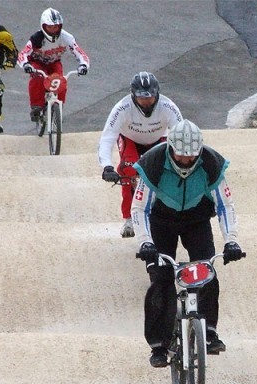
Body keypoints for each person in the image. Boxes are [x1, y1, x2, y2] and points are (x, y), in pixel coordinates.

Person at [131, 120, 244, 368]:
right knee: (160, 280)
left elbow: (226, 206)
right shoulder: (153, 162)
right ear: (170, 148)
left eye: (191, 157)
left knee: (207, 274)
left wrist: (232, 241)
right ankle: (158, 346)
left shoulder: (212, 164)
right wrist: (145, 241)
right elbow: (139, 208)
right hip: (160, 221)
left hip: (196, 220)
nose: (185, 161)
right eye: (180, 156)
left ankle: (209, 332)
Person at [98, 71, 183, 237]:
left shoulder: (168, 107)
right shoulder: (122, 108)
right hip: (130, 139)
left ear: (157, 94)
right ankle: (129, 218)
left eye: (149, 98)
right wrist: (107, 166)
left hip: (159, 139)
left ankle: (168, 211)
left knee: (166, 172)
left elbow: (182, 133)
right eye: (141, 98)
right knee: (128, 169)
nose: (146, 102)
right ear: (133, 96)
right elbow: (107, 138)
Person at [17, 8, 89, 122]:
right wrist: (26, 65)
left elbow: (79, 52)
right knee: (38, 78)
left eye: (55, 27)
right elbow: (23, 54)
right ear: (43, 26)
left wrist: (84, 65)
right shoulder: (36, 38)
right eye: (49, 27)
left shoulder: (66, 37)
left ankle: (58, 108)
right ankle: (36, 106)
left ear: (60, 26)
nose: (53, 30)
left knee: (61, 81)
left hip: (54, 63)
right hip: (37, 62)